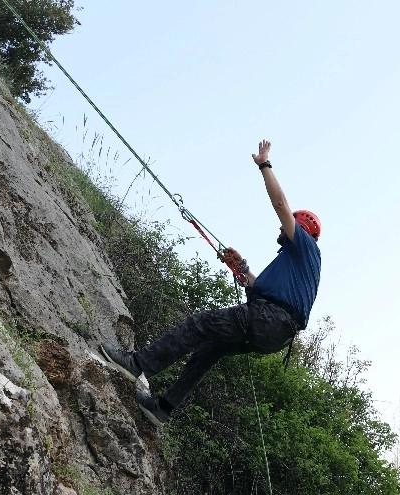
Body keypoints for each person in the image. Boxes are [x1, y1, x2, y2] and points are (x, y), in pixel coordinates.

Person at [99, 139, 321, 425]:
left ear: (301, 228)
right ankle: (162, 408)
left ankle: (137, 363)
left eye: (288, 225)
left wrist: (264, 164)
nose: (282, 228)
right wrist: (241, 267)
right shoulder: (297, 266)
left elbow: (280, 204)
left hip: (270, 319)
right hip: (277, 332)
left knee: (199, 324)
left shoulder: (305, 246)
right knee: (210, 348)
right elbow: (263, 291)